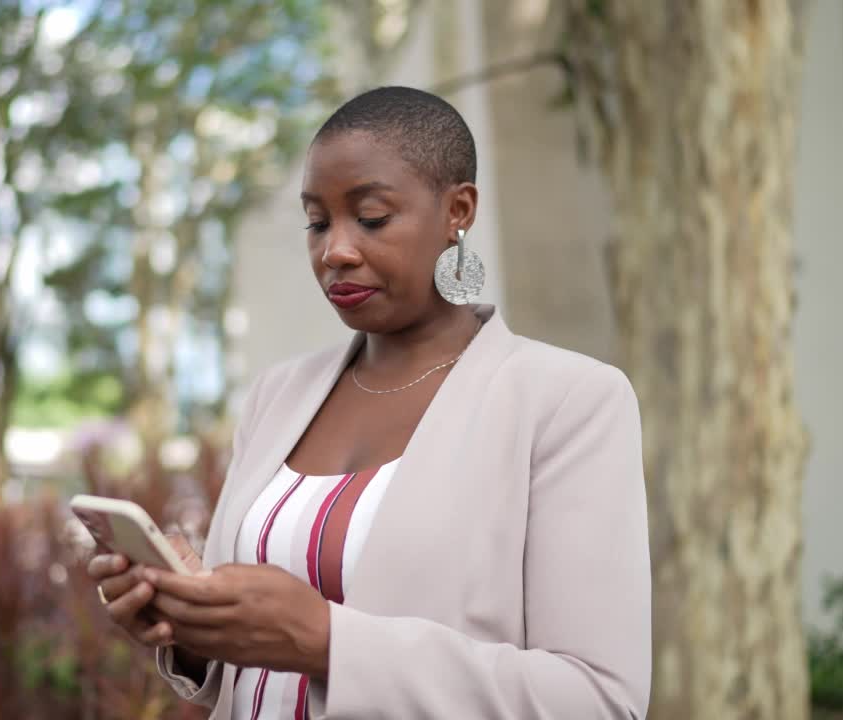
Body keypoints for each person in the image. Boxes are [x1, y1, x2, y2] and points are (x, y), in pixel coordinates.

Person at [88, 86, 651, 719]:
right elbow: (245, 673)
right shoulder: (278, 395)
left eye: (373, 218)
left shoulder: (567, 401)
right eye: (318, 221)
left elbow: (597, 699)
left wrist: (328, 642)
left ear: (457, 211)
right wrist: (192, 629)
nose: (336, 250)